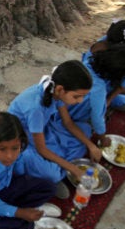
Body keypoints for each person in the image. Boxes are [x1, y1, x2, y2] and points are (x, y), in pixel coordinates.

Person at [8, 60, 92, 199]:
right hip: (22, 143)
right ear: (60, 89)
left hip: (41, 132)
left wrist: (91, 145)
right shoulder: (36, 108)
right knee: (50, 174)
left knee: (85, 130)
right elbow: (41, 149)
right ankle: (56, 172)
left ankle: (59, 166)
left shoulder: (55, 93)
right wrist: (73, 169)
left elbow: (68, 122)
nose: (80, 101)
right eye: (77, 96)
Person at [60, 45, 125, 156]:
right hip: (71, 109)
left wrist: (109, 100)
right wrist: (102, 137)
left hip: (79, 99)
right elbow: (97, 117)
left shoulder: (91, 62)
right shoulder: (98, 88)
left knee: (123, 100)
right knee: (86, 130)